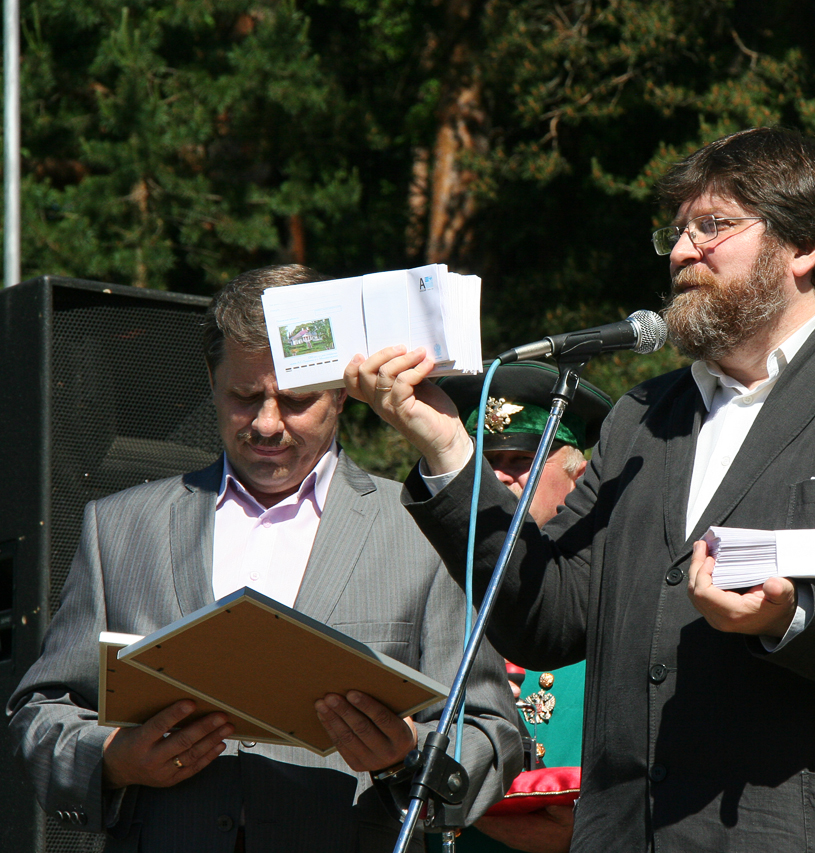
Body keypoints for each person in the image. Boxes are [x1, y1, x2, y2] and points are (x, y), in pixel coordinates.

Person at [347, 127, 815, 851]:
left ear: (805, 246)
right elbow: (547, 617)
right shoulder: (645, 416)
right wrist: (446, 447)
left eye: (712, 226)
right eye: (676, 232)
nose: (681, 251)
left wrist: (796, 616)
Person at [6, 265, 523, 853]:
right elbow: (41, 714)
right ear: (211, 380)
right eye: (244, 397)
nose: (267, 424)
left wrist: (405, 759)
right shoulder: (120, 527)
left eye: (296, 400)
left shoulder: (425, 529)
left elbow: (491, 731)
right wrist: (114, 759)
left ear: (342, 392)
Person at [434, 362, 612, 853]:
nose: (498, 476)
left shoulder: (612, 579)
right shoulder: (430, 576)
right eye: (485, 460)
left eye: (519, 460)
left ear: (578, 478)